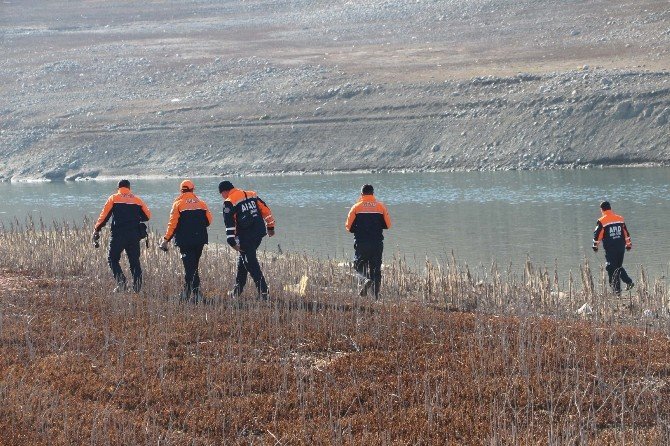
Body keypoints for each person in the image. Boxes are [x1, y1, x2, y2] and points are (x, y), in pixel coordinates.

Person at [218, 180, 275, 299]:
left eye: (221, 194)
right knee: (244, 261)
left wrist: (231, 241)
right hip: (259, 233)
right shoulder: (251, 194)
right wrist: (270, 226)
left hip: (245, 236)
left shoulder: (229, 202)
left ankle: (264, 293)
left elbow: (229, 223)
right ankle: (237, 291)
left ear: (224, 191)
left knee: (251, 264)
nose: (222, 197)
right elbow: (266, 210)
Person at [159, 180, 213, 303]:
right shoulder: (202, 203)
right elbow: (209, 221)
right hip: (200, 240)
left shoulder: (178, 204)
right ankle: (189, 292)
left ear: (181, 190)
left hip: (185, 241)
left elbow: (172, 224)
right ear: (193, 189)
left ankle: (193, 293)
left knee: (190, 267)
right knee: (193, 266)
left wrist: (166, 240)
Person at [93, 179, 151, 293]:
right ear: (129, 188)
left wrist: (96, 229)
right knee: (134, 261)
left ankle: (122, 284)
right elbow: (147, 216)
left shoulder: (114, 198)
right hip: (134, 235)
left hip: (118, 235)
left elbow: (104, 216)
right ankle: (137, 288)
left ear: (118, 188)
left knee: (112, 259)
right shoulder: (137, 200)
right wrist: (135, 218)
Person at [345, 184, 392, 298]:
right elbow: (388, 225)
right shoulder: (381, 207)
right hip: (376, 243)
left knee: (358, 265)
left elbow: (348, 227)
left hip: (361, 243)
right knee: (375, 268)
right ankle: (376, 296)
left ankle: (365, 279)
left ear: (361, 194)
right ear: (373, 193)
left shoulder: (356, 207)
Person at [592, 201, 634, 294]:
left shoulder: (602, 221)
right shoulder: (620, 218)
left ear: (602, 209)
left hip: (611, 249)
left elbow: (597, 235)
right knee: (617, 267)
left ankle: (619, 289)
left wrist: (595, 246)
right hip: (621, 248)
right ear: (610, 208)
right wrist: (628, 244)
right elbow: (626, 233)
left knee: (611, 267)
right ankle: (623, 287)